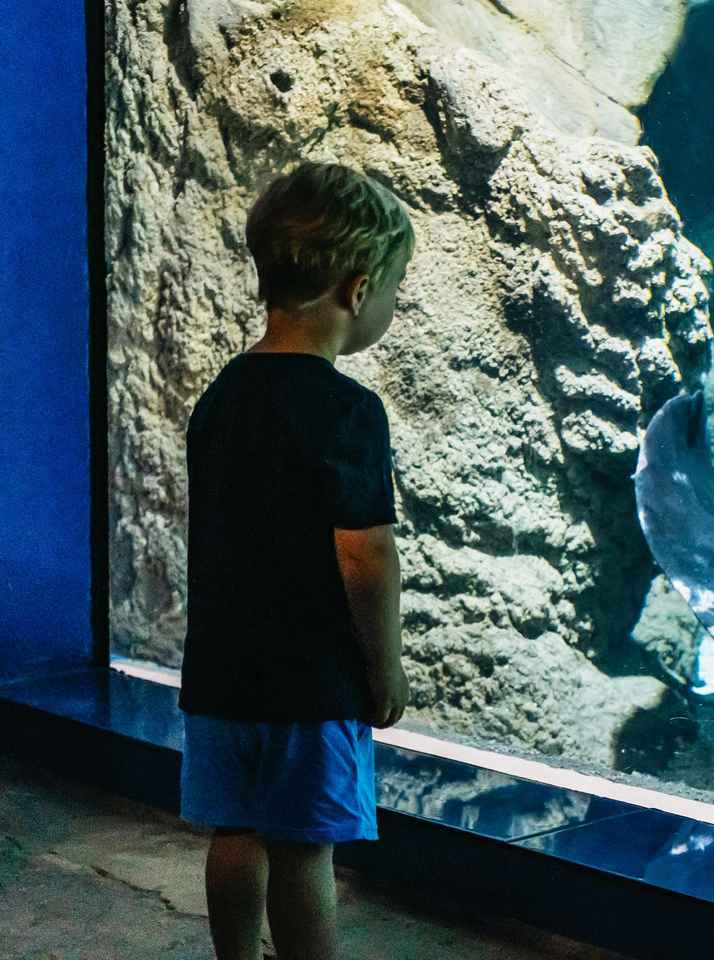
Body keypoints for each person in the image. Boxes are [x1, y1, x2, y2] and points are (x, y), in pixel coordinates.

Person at [177, 160, 415, 960]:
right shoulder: (350, 410)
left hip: (219, 676)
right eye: (393, 289)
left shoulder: (220, 399)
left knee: (235, 832)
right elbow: (366, 556)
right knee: (305, 847)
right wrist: (384, 668)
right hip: (310, 684)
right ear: (357, 290)